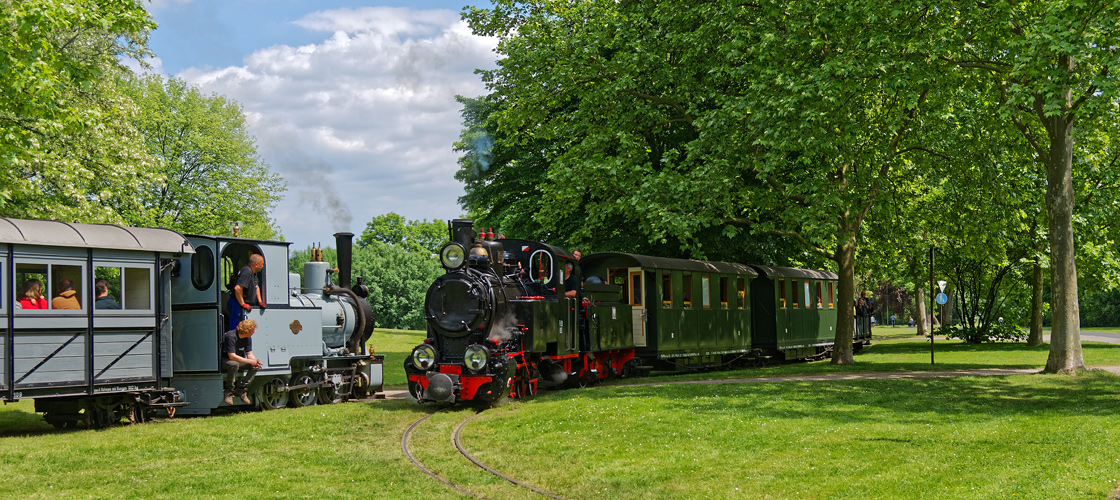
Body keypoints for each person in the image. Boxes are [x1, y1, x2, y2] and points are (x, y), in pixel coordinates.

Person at [222, 319, 262, 405]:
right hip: (224, 361)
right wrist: (249, 361)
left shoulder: (247, 338)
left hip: (236, 360)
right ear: (246, 331)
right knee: (234, 364)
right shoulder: (231, 336)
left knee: (255, 366)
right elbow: (231, 356)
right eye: (252, 330)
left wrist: (254, 361)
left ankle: (242, 390)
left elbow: (249, 353)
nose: (254, 332)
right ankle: (229, 391)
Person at [228, 254, 266, 330]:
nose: (262, 266)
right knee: (236, 328)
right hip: (237, 304)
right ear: (256, 264)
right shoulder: (247, 272)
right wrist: (243, 304)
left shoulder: (253, 273)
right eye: (262, 264)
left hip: (241, 305)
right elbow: (238, 288)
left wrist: (260, 302)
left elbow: (256, 287)